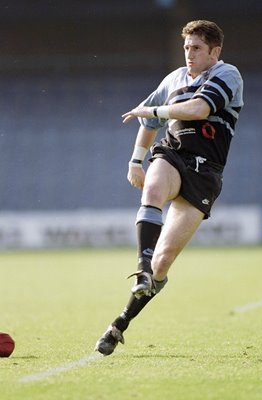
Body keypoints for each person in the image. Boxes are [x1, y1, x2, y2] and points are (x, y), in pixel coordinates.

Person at [95, 19, 243, 356]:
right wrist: (136, 161)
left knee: (165, 262)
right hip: (174, 154)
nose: (189, 54)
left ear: (214, 51)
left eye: (196, 49)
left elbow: (199, 109)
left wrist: (155, 110)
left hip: (206, 174)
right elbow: (149, 123)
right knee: (153, 189)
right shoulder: (173, 79)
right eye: (186, 48)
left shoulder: (227, 74)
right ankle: (141, 267)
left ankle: (119, 324)